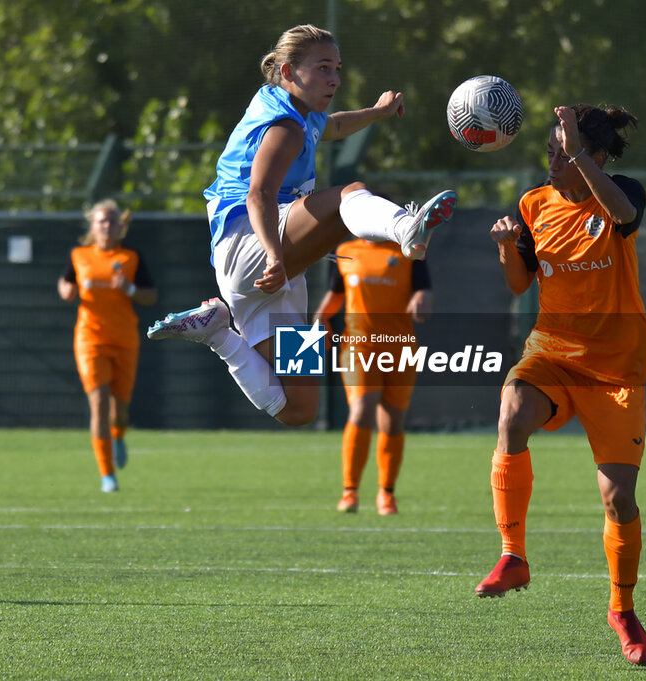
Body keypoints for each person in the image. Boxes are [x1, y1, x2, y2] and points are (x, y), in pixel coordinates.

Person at [146, 24, 457, 427]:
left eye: (337, 68)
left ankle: (218, 334)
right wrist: (275, 254)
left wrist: (377, 113)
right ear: (289, 72)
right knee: (349, 195)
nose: (335, 79)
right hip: (253, 248)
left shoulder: (300, 114)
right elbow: (258, 195)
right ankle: (404, 228)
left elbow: (336, 126)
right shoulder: (286, 127)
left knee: (299, 410)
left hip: (263, 271)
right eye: (323, 68)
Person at [476, 104, 646, 665]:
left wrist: (577, 149)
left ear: (593, 156)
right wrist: (508, 248)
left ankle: (621, 609)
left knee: (618, 496)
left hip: (616, 367)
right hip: (552, 351)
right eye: (551, 151)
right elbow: (518, 284)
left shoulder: (620, 191)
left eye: (563, 152)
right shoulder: (533, 204)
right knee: (511, 415)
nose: (552, 161)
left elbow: (623, 215)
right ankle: (513, 555)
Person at [313, 238, 433, 515]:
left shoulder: (410, 251)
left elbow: (424, 291)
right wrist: (321, 317)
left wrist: (422, 298)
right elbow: (336, 293)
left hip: (400, 346)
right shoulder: (345, 251)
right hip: (358, 345)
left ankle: (387, 494)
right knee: (362, 409)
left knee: (392, 421)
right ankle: (349, 492)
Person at [58, 200, 157, 493]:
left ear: (121, 225)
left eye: (112, 221)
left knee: (120, 412)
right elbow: (65, 286)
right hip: (90, 337)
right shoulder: (79, 255)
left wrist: (129, 288)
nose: (107, 225)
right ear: (93, 224)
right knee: (99, 403)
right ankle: (107, 474)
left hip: (125, 338)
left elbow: (151, 296)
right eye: (102, 220)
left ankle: (118, 435)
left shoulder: (130, 256)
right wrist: (70, 290)